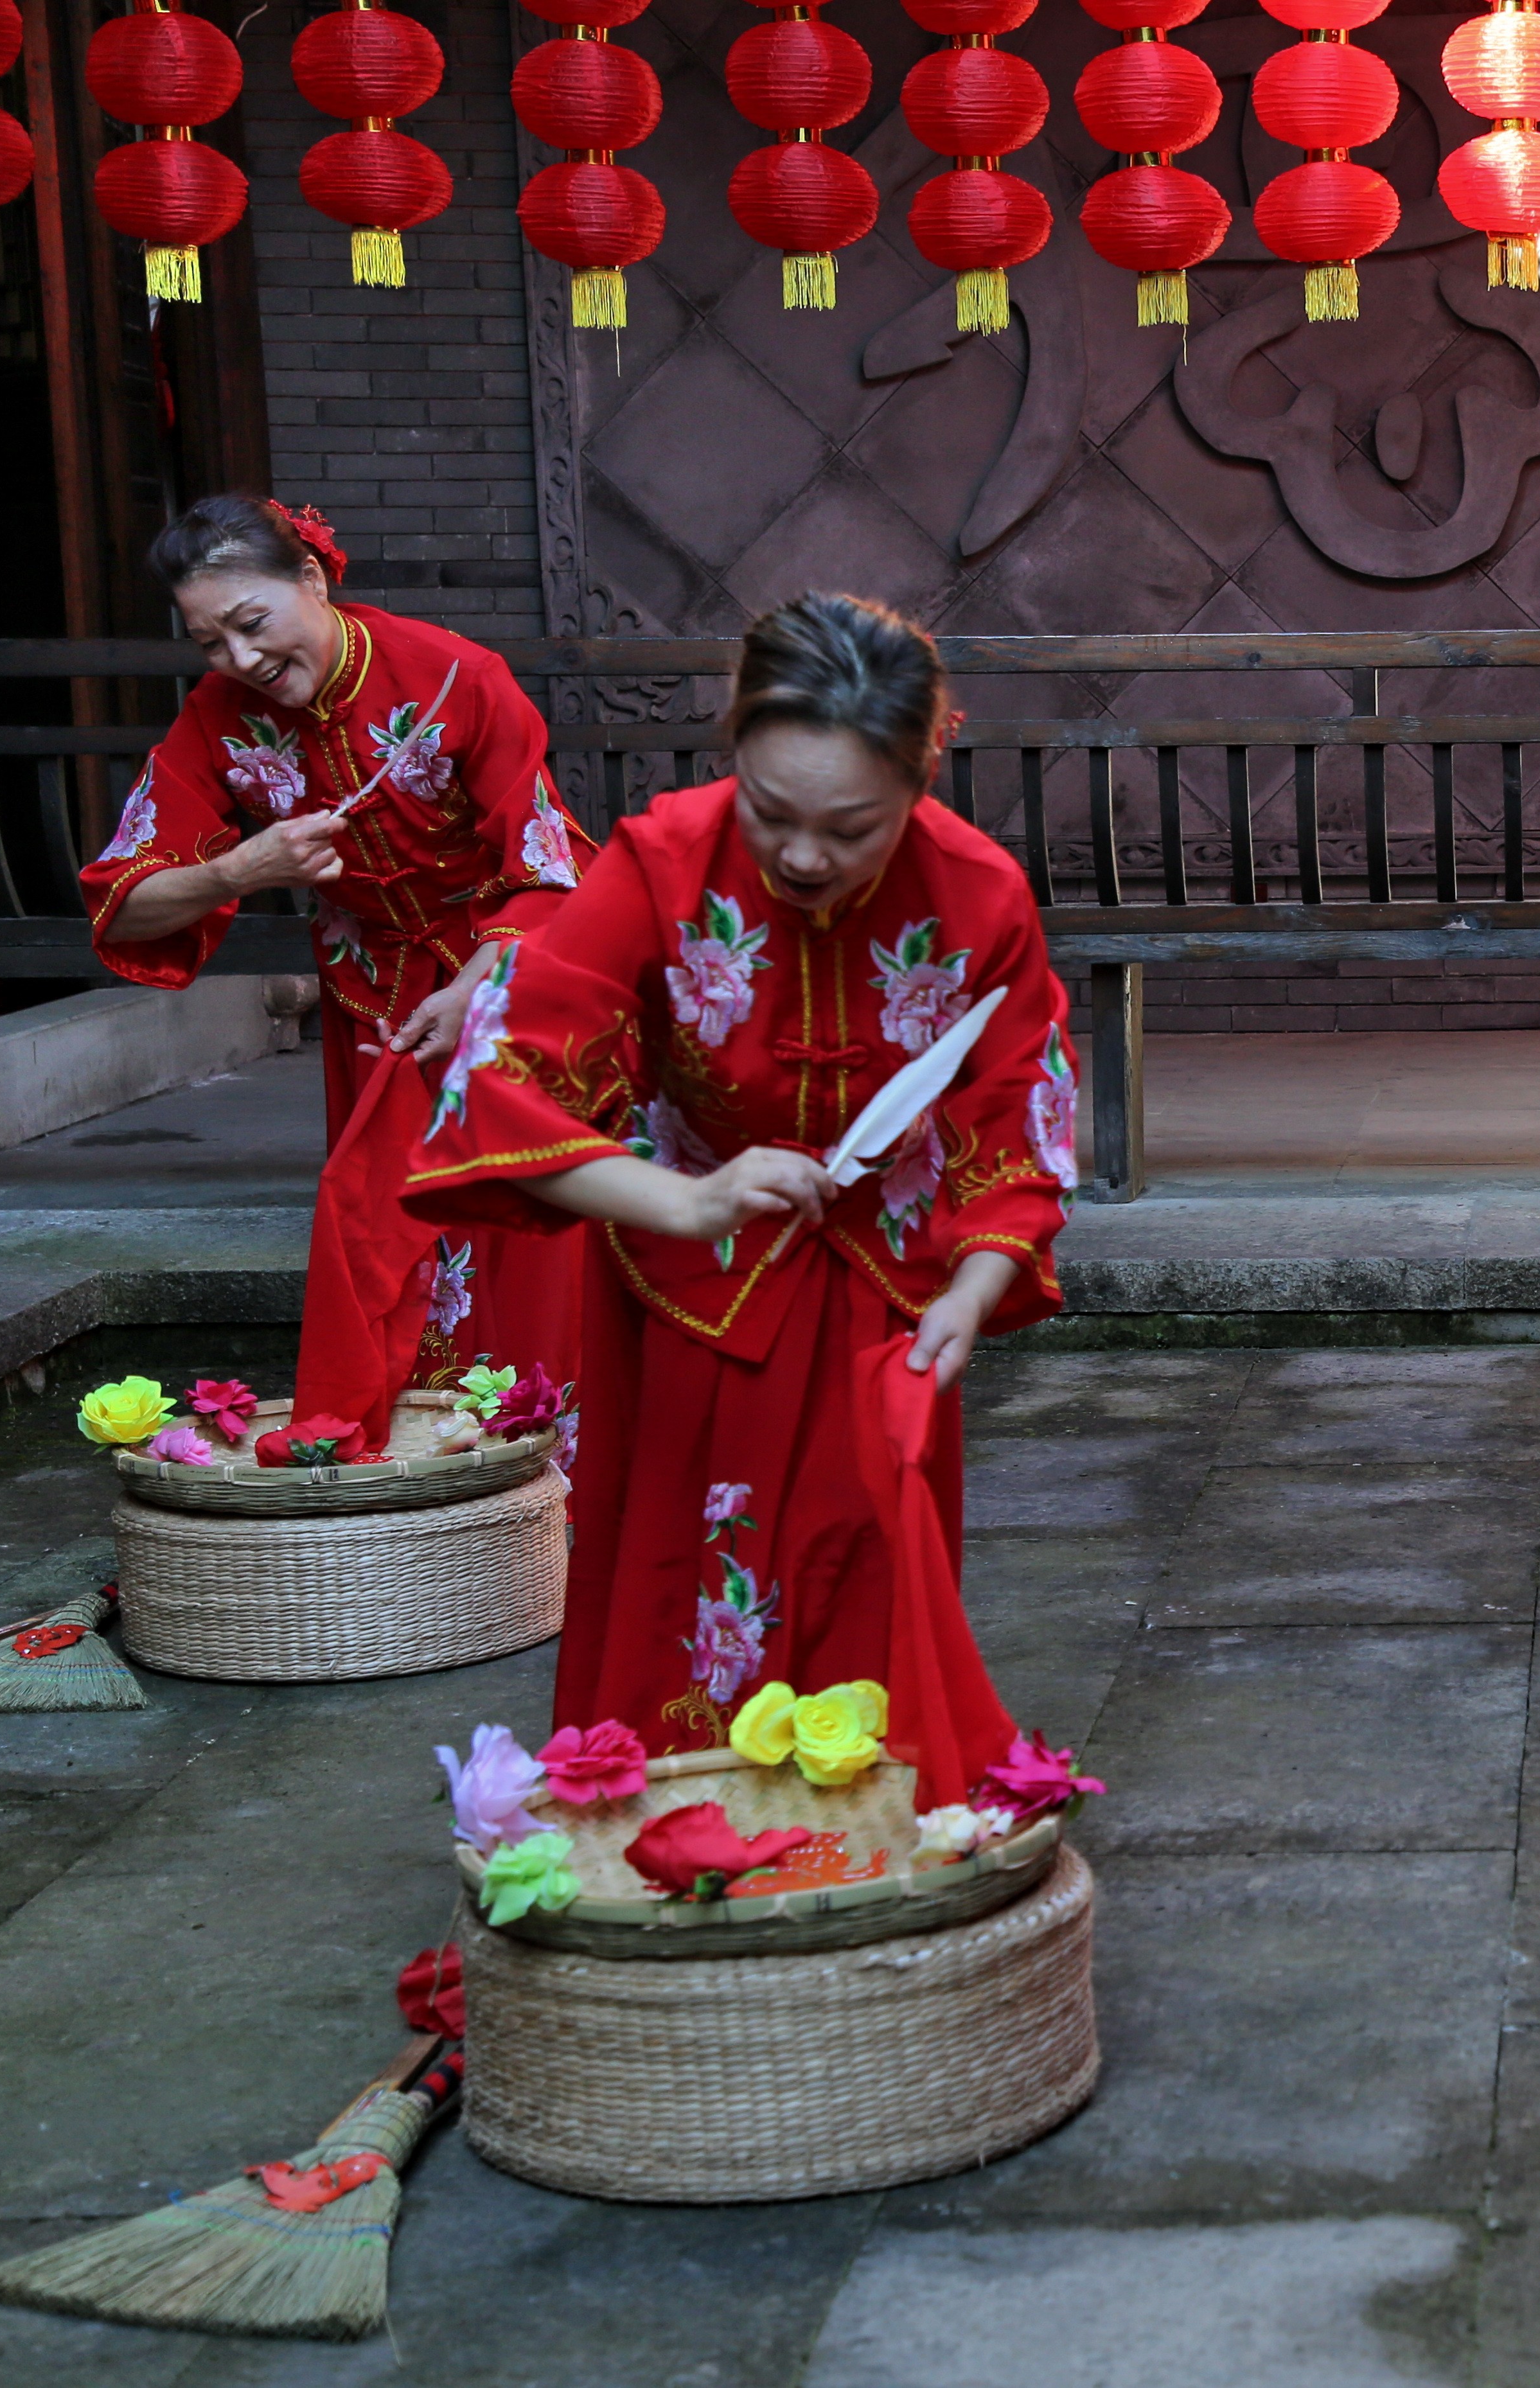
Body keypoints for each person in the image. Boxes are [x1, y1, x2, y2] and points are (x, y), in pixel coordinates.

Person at [402, 591, 1072, 1797]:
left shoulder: (980, 897)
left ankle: (855, 1851)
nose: (804, 857)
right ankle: (669, 1843)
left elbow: (1015, 1120)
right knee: (681, 1575)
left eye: (853, 827)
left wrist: (975, 1292)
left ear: (926, 772)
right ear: (731, 751)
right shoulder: (660, 863)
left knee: (868, 1565)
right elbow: (504, 1086)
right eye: (771, 813)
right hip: (688, 1291)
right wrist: (689, 1201)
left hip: (891, 1300)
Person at [82, 494, 590, 1395]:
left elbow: (551, 868)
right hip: (374, 1000)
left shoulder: (453, 676)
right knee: (381, 1223)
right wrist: (240, 869)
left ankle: (542, 1467)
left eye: (250, 623)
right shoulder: (218, 715)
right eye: (209, 643)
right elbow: (124, 909)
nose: (240, 659)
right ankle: (420, 1473)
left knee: (528, 1227)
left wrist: (474, 986)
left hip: (507, 975)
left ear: (310, 579)